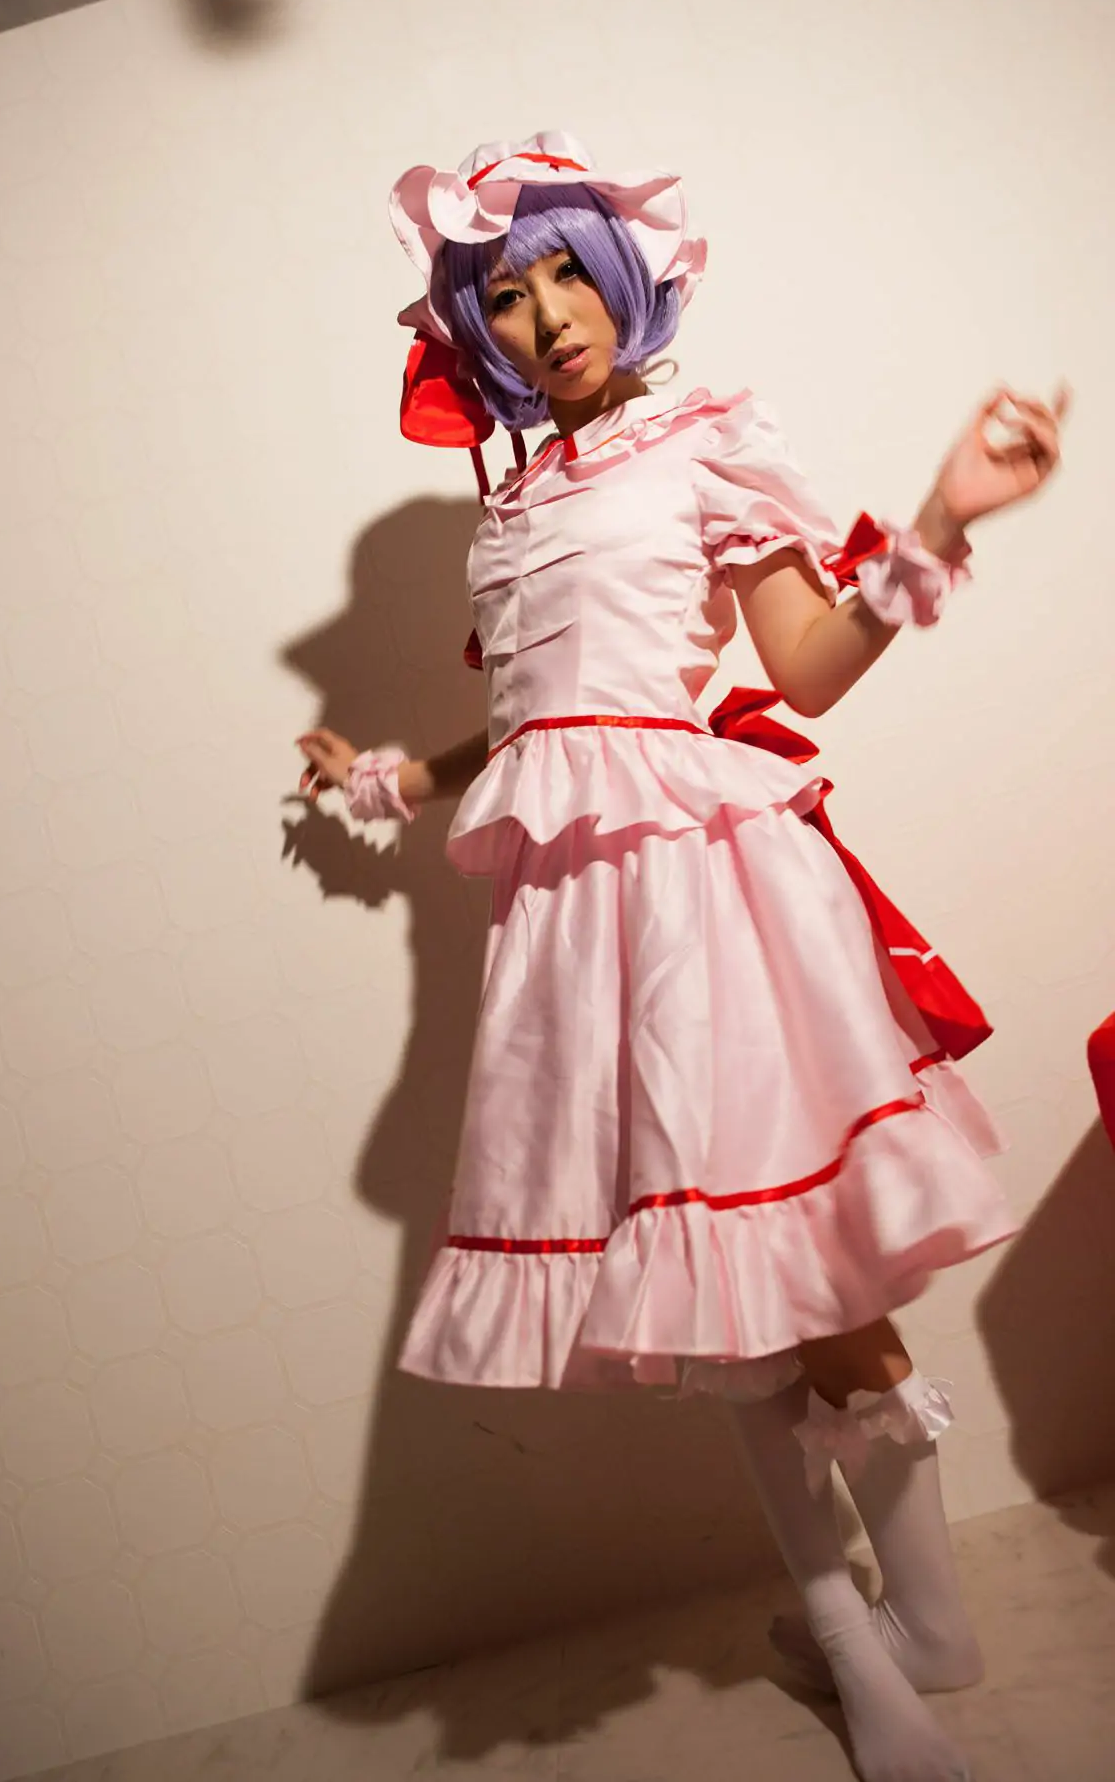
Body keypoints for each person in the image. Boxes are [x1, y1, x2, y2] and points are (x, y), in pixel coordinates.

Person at [297, 132, 1066, 1782]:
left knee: (820, 1290)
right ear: (476, 332)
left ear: (623, 278)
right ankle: (865, 1643)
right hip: (574, 930)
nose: (548, 315)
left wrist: (941, 515)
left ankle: (921, 1635)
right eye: (509, 296)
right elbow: (530, 723)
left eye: (568, 273)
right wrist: (382, 781)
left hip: (708, 893)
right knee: (730, 1306)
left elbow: (810, 665)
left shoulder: (709, 440)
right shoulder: (510, 510)